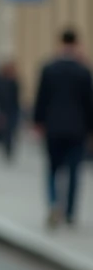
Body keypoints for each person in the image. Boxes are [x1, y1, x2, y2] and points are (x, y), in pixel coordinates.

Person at [33, 28, 93, 229]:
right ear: (76, 44)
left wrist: (38, 122)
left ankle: (53, 203)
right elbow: (89, 103)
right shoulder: (83, 70)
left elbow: (41, 98)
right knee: (74, 171)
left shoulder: (49, 68)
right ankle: (70, 212)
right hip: (77, 129)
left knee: (52, 168)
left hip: (53, 128)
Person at [0, 60, 21, 161]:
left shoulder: (14, 81)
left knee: (11, 130)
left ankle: (9, 149)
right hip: (3, 110)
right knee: (5, 131)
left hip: (12, 110)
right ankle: (5, 148)